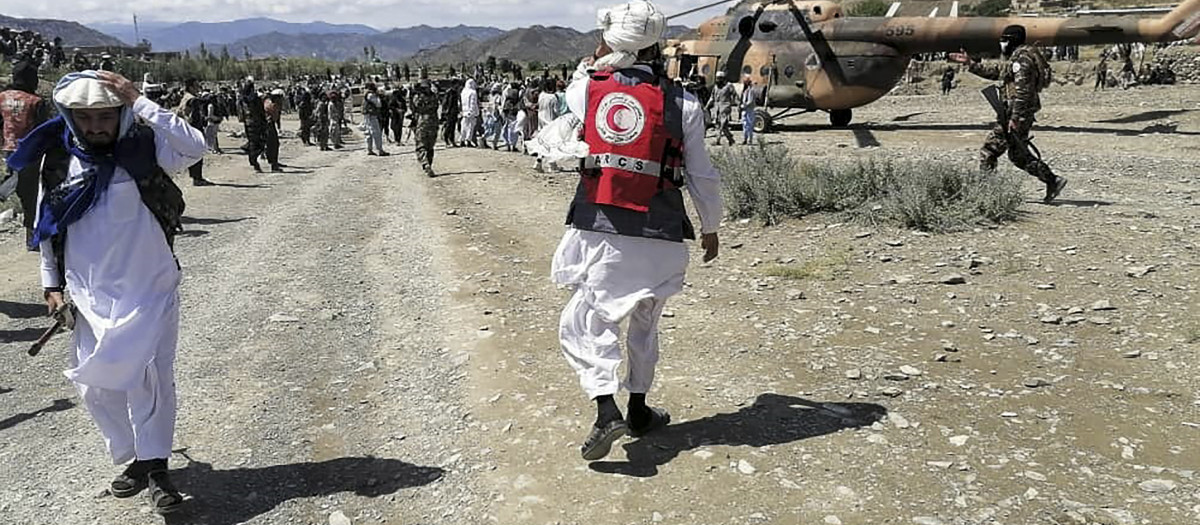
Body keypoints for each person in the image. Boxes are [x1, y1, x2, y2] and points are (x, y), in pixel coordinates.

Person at [7, 70, 205, 515]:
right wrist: (51, 285)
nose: (96, 126)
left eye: (105, 116)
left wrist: (139, 100)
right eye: (86, 117)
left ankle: (156, 467)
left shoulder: (145, 149)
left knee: (152, 381)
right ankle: (134, 455)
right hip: (89, 294)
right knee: (98, 387)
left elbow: (195, 146)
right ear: (71, 118)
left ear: (122, 114)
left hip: (151, 286)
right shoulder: (58, 161)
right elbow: (48, 227)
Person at [553, 0, 723, 462]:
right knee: (645, 323)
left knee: (586, 321)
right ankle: (640, 411)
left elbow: (580, 77)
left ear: (612, 43)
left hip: (602, 228)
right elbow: (702, 174)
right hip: (662, 231)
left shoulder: (586, 90)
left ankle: (607, 409)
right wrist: (710, 226)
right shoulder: (684, 102)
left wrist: (598, 55)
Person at [951, 25, 1068, 204]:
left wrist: (1015, 118)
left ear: (1012, 39)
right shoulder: (1017, 58)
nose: (1002, 43)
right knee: (1018, 155)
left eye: (1005, 39)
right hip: (1016, 113)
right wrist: (970, 64)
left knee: (989, 151)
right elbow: (997, 72)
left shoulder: (1022, 61)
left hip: (1016, 114)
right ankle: (1053, 180)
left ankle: (986, 193)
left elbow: (1023, 92)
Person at [0, 58, 51, 245]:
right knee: (31, 194)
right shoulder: (36, 101)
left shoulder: (2, 97)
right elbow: (42, 129)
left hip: (9, 149)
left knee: (19, 186)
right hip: (30, 152)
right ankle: (32, 238)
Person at [174, 78, 213, 186]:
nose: (198, 88)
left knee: (192, 154)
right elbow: (195, 118)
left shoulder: (185, 97)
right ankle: (197, 178)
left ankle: (195, 176)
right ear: (191, 87)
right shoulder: (192, 99)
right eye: (196, 86)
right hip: (194, 129)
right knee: (198, 153)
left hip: (186, 129)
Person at [411, 80, 440, 177]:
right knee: (430, 146)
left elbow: (415, 108)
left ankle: (425, 164)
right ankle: (429, 164)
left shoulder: (418, 97)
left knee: (421, 145)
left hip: (422, 122)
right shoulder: (434, 96)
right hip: (433, 122)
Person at [240, 79, 269, 172]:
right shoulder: (255, 99)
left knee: (253, 141)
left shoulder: (242, 99)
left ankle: (252, 158)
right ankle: (253, 159)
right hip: (257, 123)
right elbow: (261, 112)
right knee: (260, 143)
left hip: (247, 123)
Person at [706, 71, 737, 146]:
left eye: (719, 78)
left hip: (725, 107)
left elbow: (735, 95)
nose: (718, 80)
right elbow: (712, 98)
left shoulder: (729, 86)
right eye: (717, 78)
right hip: (717, 108)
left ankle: (717, 140)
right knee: (721, 126)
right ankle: (731, 139)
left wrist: (736, 104)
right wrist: (706, 106)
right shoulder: (716, 87)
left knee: (722, 124)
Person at [362, 83, 389, 156]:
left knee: (368, 132)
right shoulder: (371, 95)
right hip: (372, 115)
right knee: (376, 132)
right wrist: (380, 96)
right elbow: (378, 104)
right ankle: (380, 150)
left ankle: (369, 149)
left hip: (367, 115)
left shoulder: (366, 94)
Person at [263, 89, 284, 171]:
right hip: (270, 125)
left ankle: (272, 161)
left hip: (265, 124)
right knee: (274, 145)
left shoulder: (266, 102)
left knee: (270, 144)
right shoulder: (274, 105)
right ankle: (274, 164)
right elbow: (275, 117)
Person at [460, 79, 480, 148]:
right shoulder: (473, 92)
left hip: (464, 111)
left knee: (464, 126)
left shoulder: (463, 91)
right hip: (471, 112)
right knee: (470, 127)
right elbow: (473, 102)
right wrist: (473, 111)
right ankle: (468, 140)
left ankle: (462, 140)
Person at [740, 74, 757, 145]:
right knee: (744, 124)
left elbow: (750, 101)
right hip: (745, 110)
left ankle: (750, 140)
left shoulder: (751, 90)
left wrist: (744, 105)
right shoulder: (745, 90)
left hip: (749, 109)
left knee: (749, 125)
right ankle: (745, 139)